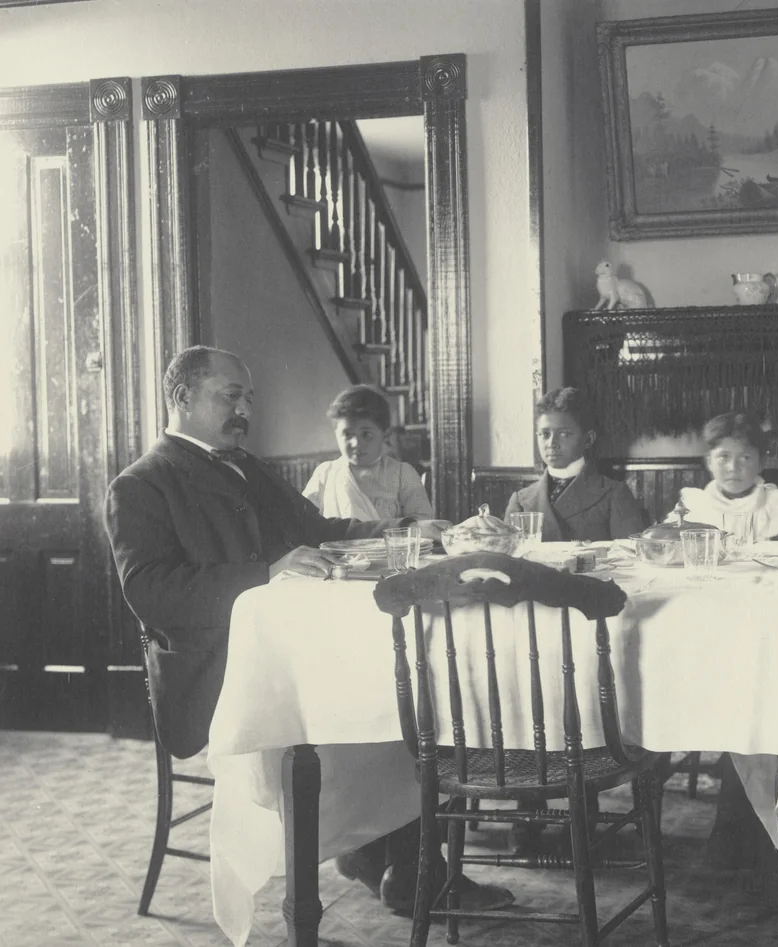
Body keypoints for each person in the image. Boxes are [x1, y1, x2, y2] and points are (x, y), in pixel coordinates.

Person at [104, 345, 509, 917]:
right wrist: (264, 575)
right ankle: (392, 863)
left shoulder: (246, 465)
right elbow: (151, 590)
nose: (244, 408)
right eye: (230, 395)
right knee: (394, 703)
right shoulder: (141, 484)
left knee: (407, 697)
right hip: (222, 671)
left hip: (293, 655)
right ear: (182, 397)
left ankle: (402, 865)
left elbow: (318, 529)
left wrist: (411, 529)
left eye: (248, 397)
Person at [504, 387, 643, 541]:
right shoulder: (521, 500)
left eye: (564, 434)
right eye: (544, 434)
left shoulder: (614, 494)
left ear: (588, 440)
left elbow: (630, 559)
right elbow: (508, 560)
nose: (551, 443)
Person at [303, 384, 434, 521]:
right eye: (347, 434)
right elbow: (302, 522)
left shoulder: (403, 474)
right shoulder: (325, 474)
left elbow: (422, 526)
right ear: (336, 434)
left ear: (385, 434)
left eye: (366, 434)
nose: (356, 443)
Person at [680, 412, 778, 539]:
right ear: (709, 461)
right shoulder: (694, 509)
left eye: (745, 458)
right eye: (723, 457)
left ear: (761, 463)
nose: (733, 467)